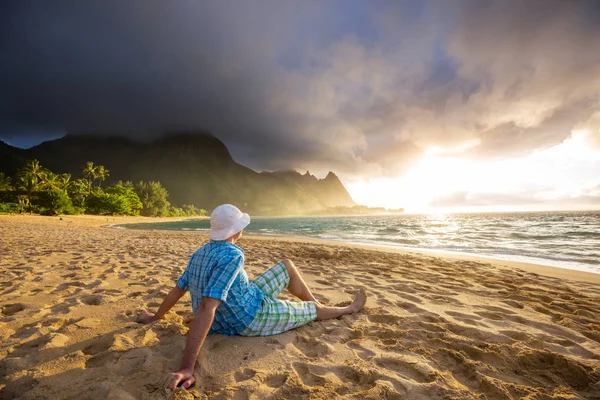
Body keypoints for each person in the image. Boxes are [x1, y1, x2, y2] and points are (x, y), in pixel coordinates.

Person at [138, 204, 367, 390]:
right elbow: (208, 305)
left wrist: (157, 316)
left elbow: (179, 289)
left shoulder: (200, 252)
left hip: (245, 297)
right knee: (310, 310)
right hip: (246, 316)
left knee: (286, 266)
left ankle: (317, 304)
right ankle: (347, 309)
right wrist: (187, 367)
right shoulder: (232, 255)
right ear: (237, 231)